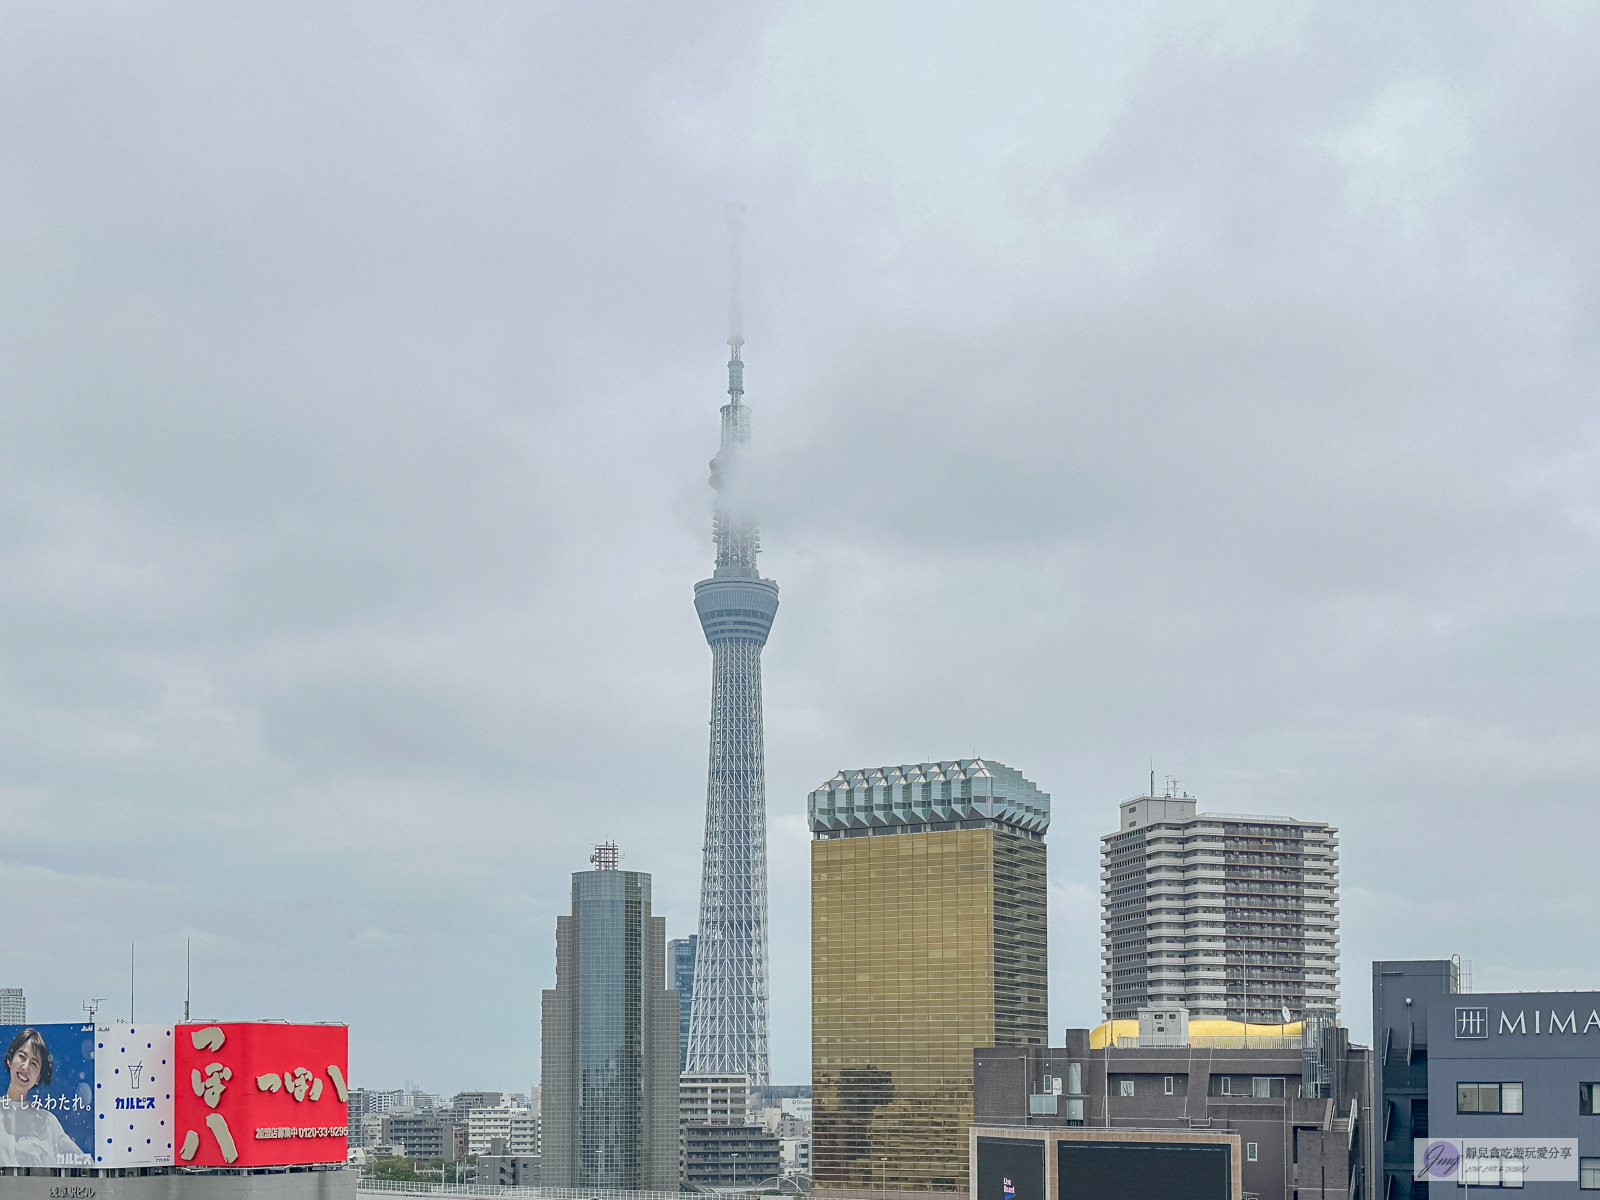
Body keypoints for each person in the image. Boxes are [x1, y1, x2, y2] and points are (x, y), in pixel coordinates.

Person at [0, 1028, 88, 1167]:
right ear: (10, 1060)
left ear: (38, 1078)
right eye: (22, 1056)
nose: (26, 1066)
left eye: (34, 1063)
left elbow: (84, 1163)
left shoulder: (47, 1122)